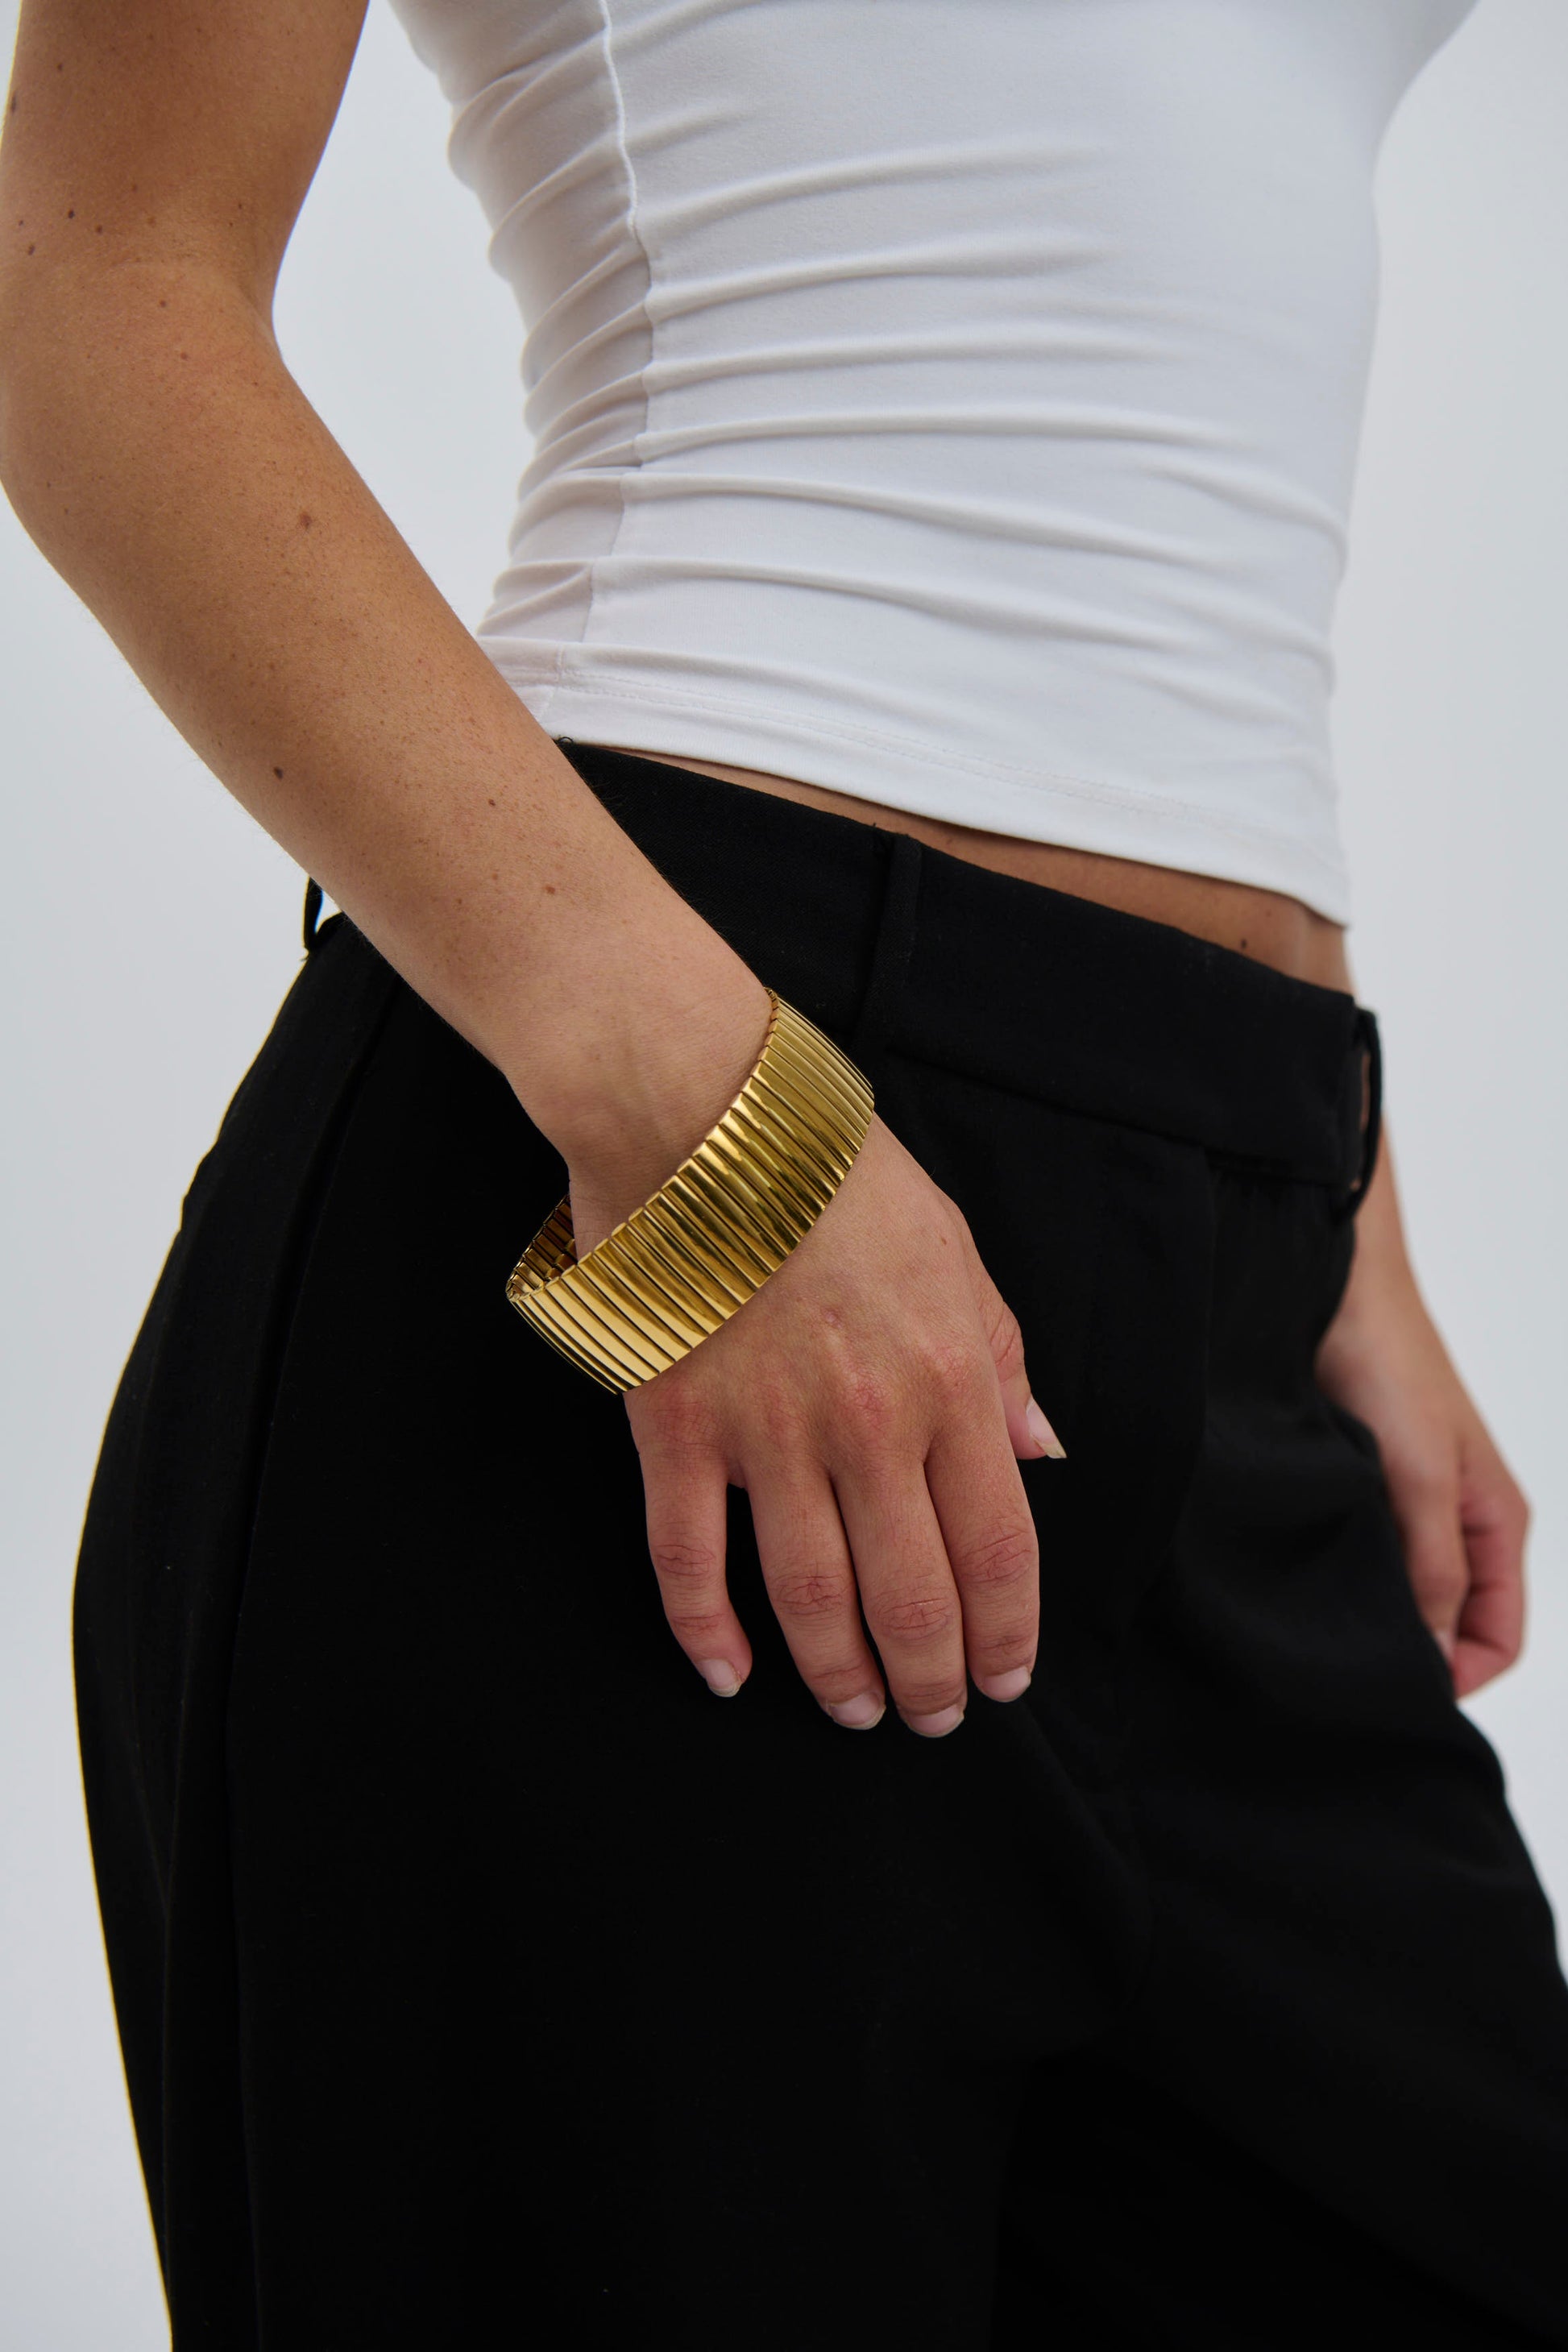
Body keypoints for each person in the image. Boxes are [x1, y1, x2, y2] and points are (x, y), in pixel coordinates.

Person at [2, 0, 1564, 2342]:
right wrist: (712, 1131)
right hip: (668, 1149)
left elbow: (1142, 359)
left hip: (1234, 1198)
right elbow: (96, 276)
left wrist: (1346, 1212)